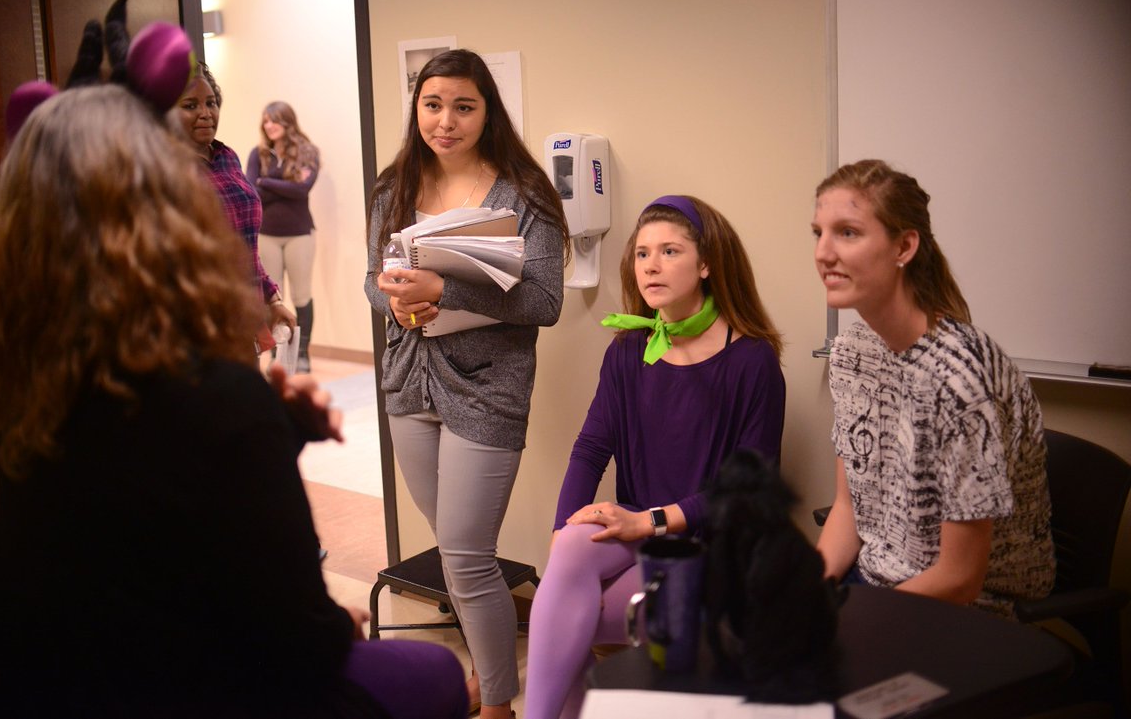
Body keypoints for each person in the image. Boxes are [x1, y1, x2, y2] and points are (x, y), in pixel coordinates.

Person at [0, 84, 468, 719]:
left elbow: (135, 530)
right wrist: (340, 625)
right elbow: (295, 638)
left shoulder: (25, 386)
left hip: (35, 690)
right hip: (186, 691)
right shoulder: (219, 398)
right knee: (441, 676)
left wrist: (270, 434)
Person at [523, 195, 787, 719]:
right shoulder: (628, 350)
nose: (652, 265)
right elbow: (591, 447)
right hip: (638, 535)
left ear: (706, 264)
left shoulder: (753, 361)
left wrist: (650, 521)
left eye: (670, 251)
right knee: (572, 548)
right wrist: (560, 534)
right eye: (643, 254)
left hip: (712, 549)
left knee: (570, 615)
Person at [364, 49, 569, 719]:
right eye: (432, 104)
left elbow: (544, 301)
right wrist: (393, 300)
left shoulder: (524, 192)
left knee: (466, 555)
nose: (444, 120)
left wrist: (443, 288)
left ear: (488, 110)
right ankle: (491, 679)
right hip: (408, 385)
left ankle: (498, 707)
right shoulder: (393, 184)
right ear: (417, 107)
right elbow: (373, 277)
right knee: (457, 554)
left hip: (487, 391)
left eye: (462, 106)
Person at [811, 159, 1054, 617]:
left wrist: (853, 620)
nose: (823, 253)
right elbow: (849, 508)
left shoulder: (959, 379)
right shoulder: (851, 353)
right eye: (818, 233)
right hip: (876, 582)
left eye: (847, 232)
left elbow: (961, 579)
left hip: (969, 612)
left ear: (904, 246)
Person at [169, 62, 296, 345]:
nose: (205, 113)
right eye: (190, 106)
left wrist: (272, 299)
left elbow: (244, 247)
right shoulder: (164, 171)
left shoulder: (227, 158)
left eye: (211, 103)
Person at [247, 101, 321, 372]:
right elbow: (251, 192)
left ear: (287, 121)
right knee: (274, 297)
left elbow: (302, 190)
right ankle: (279, 355)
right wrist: (286, 185)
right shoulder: (258, 154)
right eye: (265, 121)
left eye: (274, 120)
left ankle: (302, 354)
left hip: (300, 234)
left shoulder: (307, 152)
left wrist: (265, 182)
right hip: (266, 234)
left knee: (301, 296)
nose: (269, 126)